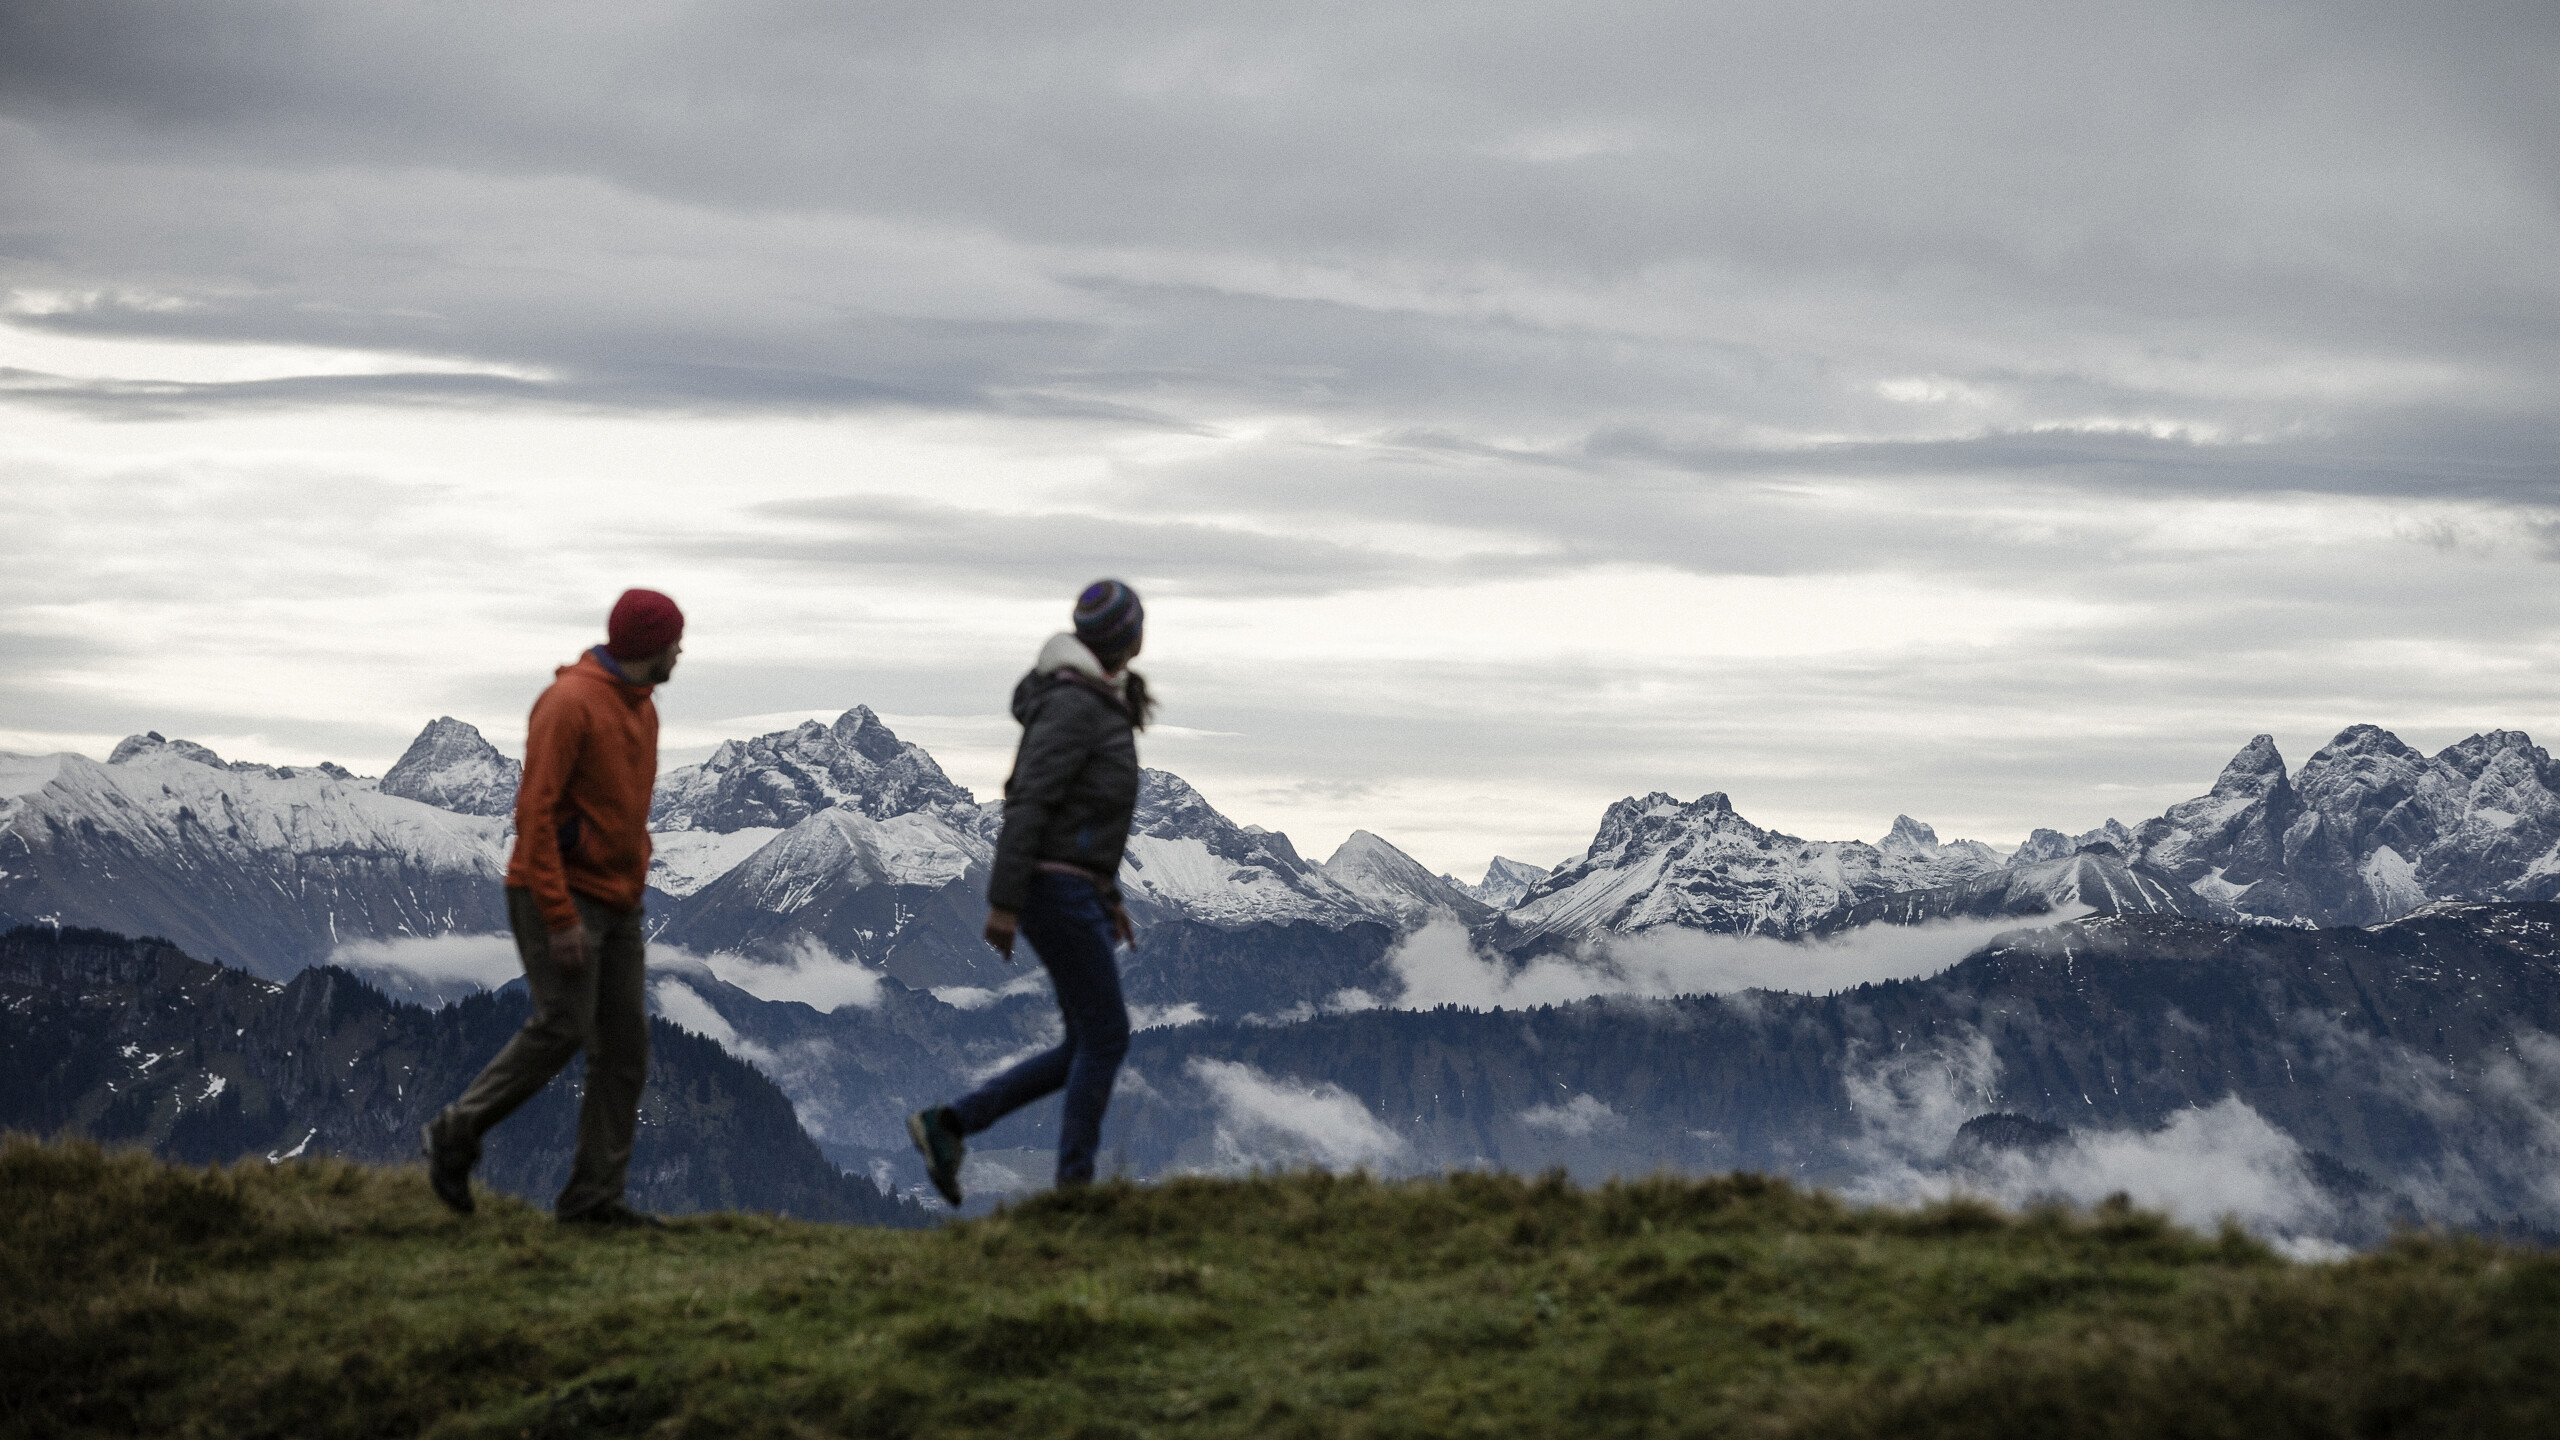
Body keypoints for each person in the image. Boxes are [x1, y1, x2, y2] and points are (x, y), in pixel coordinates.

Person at [422, 589, 684, 1226]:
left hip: (618, 903)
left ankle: (593, 1200)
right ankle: (457, 1131)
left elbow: (623, 812)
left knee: (624, 1049)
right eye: (675, 640)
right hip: (556, 895)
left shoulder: (642, 711)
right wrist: (561, 917)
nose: (681, 651)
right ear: (652, 646)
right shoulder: (570, 704)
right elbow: (533, 815)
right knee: (564, 1024)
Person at [909, 580, 1153, 1206]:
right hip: (1054, 892)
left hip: (1074, 890)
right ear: (1127, 637)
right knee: (1106, 1039)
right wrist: (1004, 901)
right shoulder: (1076, 705)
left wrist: (1110, 893)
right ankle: (1073, 1193)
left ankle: (953, 1124)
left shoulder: (1094, 701)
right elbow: (1031, 800)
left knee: (1085, 1042)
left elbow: (1082, 820)